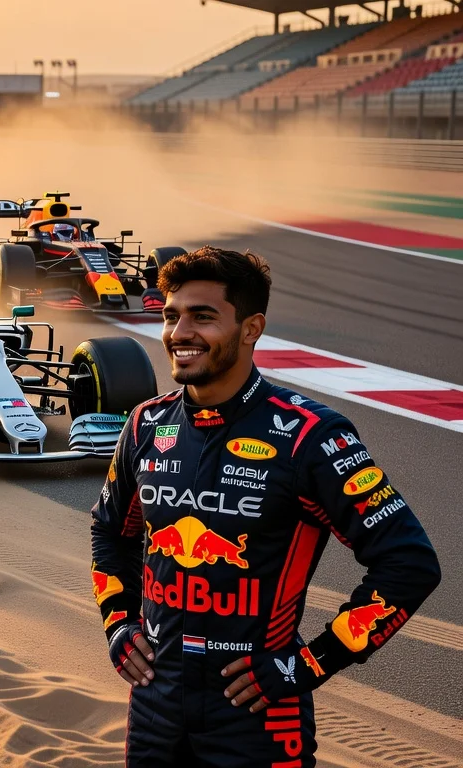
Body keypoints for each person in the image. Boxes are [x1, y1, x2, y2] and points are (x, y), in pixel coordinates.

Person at [90, 247, 440, 767]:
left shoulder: (311, 436)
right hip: (155, 703)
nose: (179, 333)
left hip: (256, 715)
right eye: (171, 315)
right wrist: (119, 624)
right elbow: (109, 532)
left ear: (251, 328)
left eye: (202, 317)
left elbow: (409, 564)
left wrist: (310, 663)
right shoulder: (145, 424)